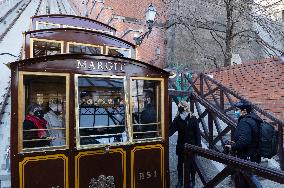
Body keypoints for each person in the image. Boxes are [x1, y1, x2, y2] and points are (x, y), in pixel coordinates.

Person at [225, 100, 262, 188]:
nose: (235, 112)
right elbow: (250, 138)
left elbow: (244, 141)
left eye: (237, 109)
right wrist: (236, 142)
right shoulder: (254, 119)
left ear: (244, 110)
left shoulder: (245, 122)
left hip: (247, 156)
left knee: (249, 181)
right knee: (251, 180)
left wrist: (232, 146)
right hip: (254, 155)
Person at [169, 101, 201, 188]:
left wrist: (198, 147)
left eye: (181, 106)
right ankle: (180, 180)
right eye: (179, 106)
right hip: (181, 145)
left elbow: (197, 133)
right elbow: (171, 130)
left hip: (191, 145)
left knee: (191, 164)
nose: (179, 107)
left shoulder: (193, 118)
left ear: (186, 107)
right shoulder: (177, 119)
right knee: (180, 164)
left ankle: (192, 180)